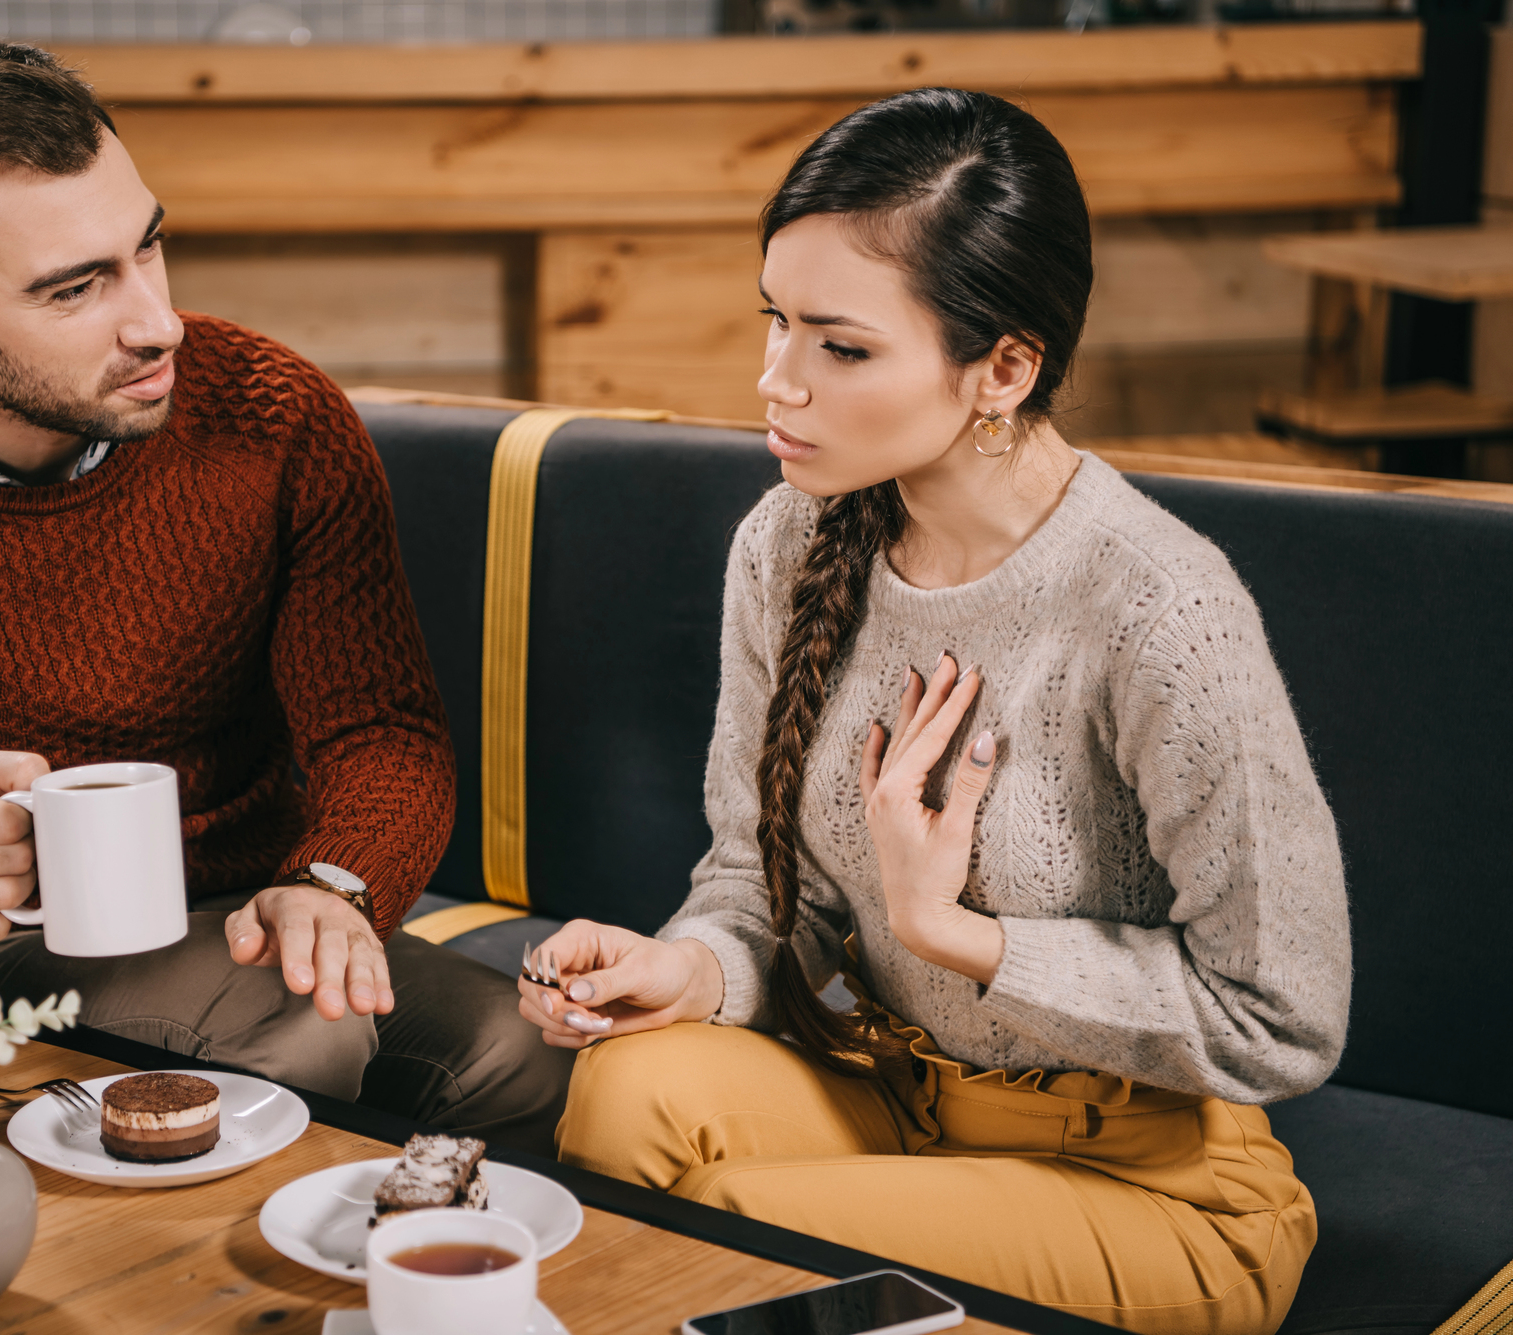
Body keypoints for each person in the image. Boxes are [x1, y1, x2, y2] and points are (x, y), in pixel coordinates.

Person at [515, 88, 1348, 1331]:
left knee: (738, 1226)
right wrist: (683, 968)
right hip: (896, 1095)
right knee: (623, 1091)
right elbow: (751, 878)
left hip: (1146, 1182)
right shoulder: (787, 542)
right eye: (774, 323)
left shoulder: (1158, 608)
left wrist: (949, 930)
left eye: (838, 347)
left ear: (1003, 367)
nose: (774, 383)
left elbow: (1279, 1023)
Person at [0, 37, 570, 1155]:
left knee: (527, 1054)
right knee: (308, 1042)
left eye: (147, 248)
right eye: (77, 288)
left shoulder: (276, 417)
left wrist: (332, 885)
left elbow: (382, 735)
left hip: (260, 909)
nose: (154, 319)